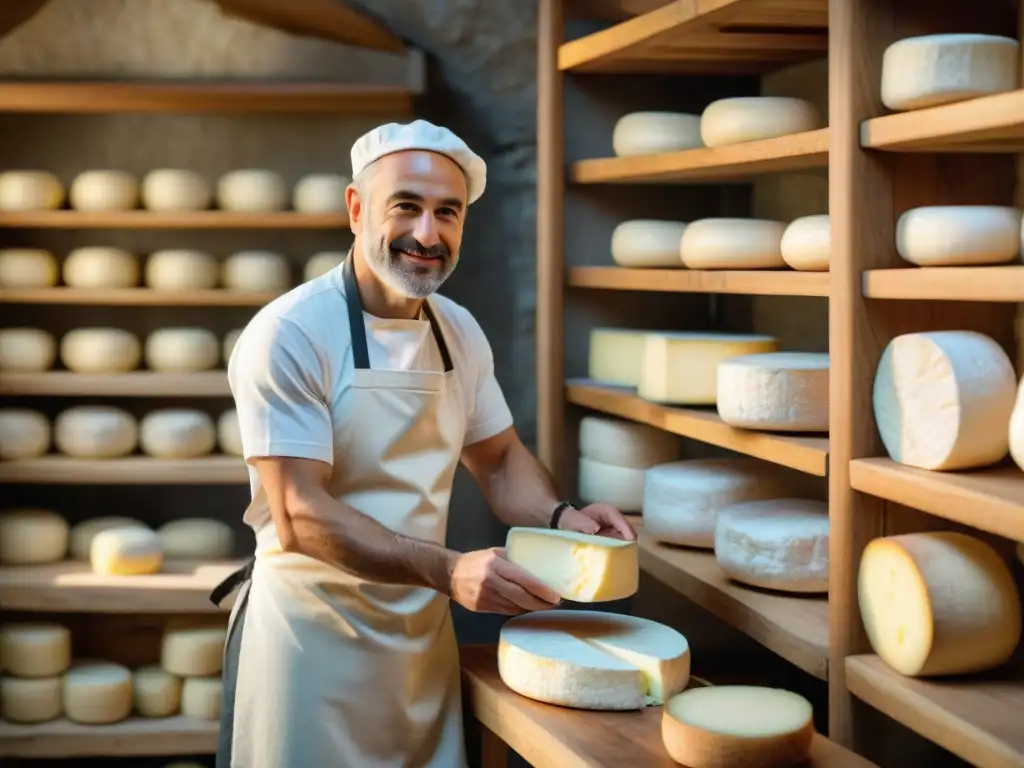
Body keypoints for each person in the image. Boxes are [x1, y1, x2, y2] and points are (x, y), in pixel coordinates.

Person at [212, 119, 636, 768]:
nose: (427, 235)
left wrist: (562, 519)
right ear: (356, 210)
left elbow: (498, 462)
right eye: (405, 206)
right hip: (309, 649)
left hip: (420, 645)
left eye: (448, 212)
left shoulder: (458, 331)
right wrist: (448, 570)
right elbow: (298, 513)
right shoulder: (291, 334)